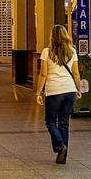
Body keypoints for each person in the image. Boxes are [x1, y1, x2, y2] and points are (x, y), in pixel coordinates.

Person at [35, 24, 84, 164]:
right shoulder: (72, 51)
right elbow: (76, 73)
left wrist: (38, 92)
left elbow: (43, 74)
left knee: (50, 121)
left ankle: (60, 145)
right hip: (69, 91)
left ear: (52, 37)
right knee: (64, 122)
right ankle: (63, 153)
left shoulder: (47, 52)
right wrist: (78, 89)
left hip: (54, 92)